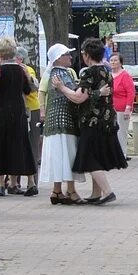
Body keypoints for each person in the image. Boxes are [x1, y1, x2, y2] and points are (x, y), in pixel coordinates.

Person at [52, 38, 127, 204]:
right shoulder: (108, 70)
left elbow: (79, 97)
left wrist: (62, 88)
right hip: (107, 120)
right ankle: (95, 193)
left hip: (92, 120)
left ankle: (107, 192)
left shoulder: (88, 72)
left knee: (89, 158)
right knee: (97, 156)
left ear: (87, 55)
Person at [0, 36, 36, 198]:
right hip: (19, 112)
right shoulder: (20, 69)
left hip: (1, 112)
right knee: (21, 145)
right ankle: (29, 183)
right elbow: (28, 90)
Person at [38, 43, 86, 205]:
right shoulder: (62, 74)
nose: (71, 57)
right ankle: (71, 190)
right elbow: (74, 92)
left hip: (54, 121)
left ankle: (56, 190)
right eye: (67, 54)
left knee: (59, 155)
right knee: (67, 153)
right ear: (58, 58)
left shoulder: (52, 72)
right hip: (64, 119)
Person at [14, 46, 41, 196]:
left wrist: (25, 74)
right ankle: (15, 181)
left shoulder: (27, 70)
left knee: (32, 145)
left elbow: (32, 87)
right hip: (20, 110)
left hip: (31, 109)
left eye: (17, 58)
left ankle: (33, 181)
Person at [110, 52, 135, 161]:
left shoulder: (125, 75)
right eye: (111, 60)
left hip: (122, 108)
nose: (113, 62)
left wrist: (128, 108)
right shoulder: (109, 75)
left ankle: (122, 154)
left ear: (120, 62)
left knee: (121, 132)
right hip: (111, 108)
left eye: (115, 60)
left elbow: (131, 92)